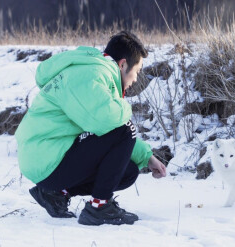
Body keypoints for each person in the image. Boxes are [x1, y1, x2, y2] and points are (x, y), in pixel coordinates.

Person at [15, 31, 167, 226]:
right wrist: (125, 107)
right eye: (136, 71)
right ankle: (99, 208)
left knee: (127, 172)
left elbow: (108, 131)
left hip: (48, 155)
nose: (136, 79)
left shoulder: (93, 73)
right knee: (126, 129)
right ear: (122, 64)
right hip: (45, 157)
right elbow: (112, 124)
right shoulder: (90, 75)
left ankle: (54, 194)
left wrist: (146, 156)